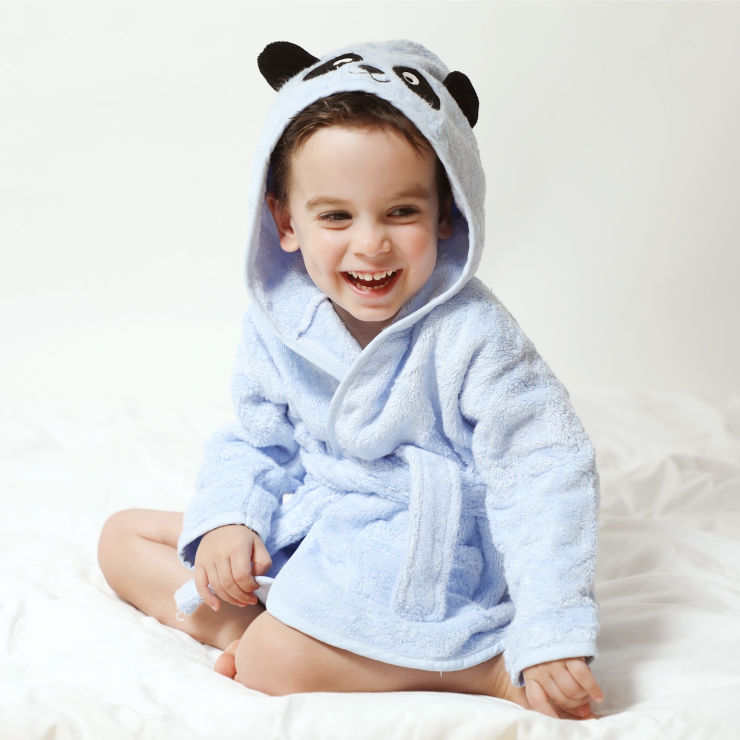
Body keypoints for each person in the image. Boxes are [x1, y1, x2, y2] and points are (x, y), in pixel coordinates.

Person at [98, 39, 604, 720]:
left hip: (421, 552)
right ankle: (273, 629)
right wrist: (229, 521)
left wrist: (549, 627)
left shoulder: (474, 333)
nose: (370, 244)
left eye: (401, 212)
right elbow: (257, 438)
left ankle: (481, 669)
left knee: (268, 663)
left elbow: (544, 469)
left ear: (445, 214)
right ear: (286, 221)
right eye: (336, 215)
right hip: (321, 522)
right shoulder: (282, 321)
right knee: (122, 537)